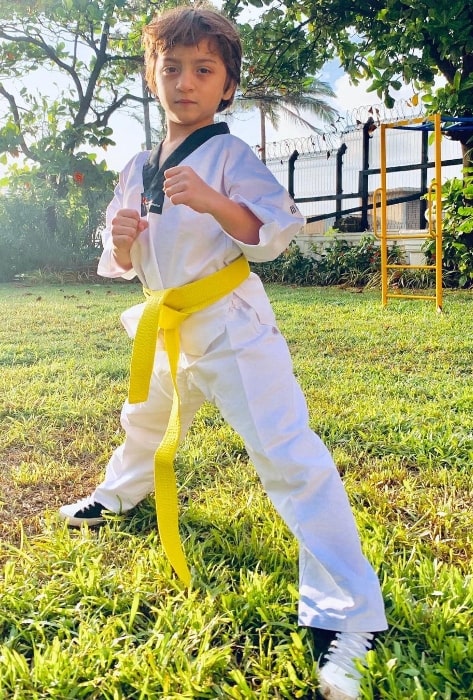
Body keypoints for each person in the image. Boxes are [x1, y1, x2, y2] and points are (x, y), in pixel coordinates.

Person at [59, 7, 387, 699]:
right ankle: (118, 497)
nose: (184, 81)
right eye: (170, 67)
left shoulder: (228, 156)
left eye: (202, 70)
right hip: (163, 321)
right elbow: (123, 260)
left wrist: (212, 201)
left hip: (229, 325)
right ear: (153, 74)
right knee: (142, 420)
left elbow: (269, 232)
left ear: (226, 86)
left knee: (286, 453)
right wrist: (119, 239)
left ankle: (350, 616)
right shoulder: (137, 164)